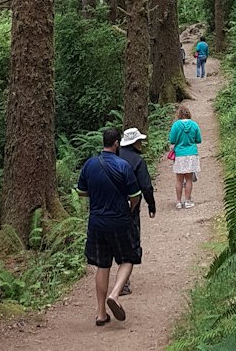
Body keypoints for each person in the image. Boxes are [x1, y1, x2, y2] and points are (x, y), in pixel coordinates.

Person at [76, 126, 142, 325]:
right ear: (116, 144)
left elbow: (81, 191)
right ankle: (115, 293)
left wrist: (96, 195)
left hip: (96, 222)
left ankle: (101, 313)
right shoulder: (123, 166)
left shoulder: (90, 164)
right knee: (128, 258)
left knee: (102, 265)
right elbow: (135, 196)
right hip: (119, 220)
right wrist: (129, 210)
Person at [117, 127, 155, 296]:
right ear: (134, 143)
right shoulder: (137, 161)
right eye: (140, 141)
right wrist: (151, 205)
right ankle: (122, 284)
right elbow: (146, 186)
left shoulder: (113, 157)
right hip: (130, 208)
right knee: (130, 243)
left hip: (109, 208)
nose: (141, 143)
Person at [168, 104, 202, 209]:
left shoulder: (175, 125)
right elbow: (199, 140)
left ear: (179, 115)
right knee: (189, 179)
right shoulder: (194, 125)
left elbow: (172, 140)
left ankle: (178, 202)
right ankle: (187, 201)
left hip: (179, 154)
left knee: (179, 179)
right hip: (192, 153)